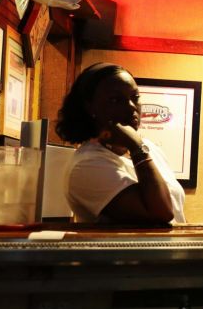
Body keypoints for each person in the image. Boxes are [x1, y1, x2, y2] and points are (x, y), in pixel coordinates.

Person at [56, 63, 185, 225]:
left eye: (135, 98)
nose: (132, 106)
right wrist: (136, 147)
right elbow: (161, 214)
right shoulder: (87, 164)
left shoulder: (149, 148)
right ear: (90, 107)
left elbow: (177, 217)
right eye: (116, 100)